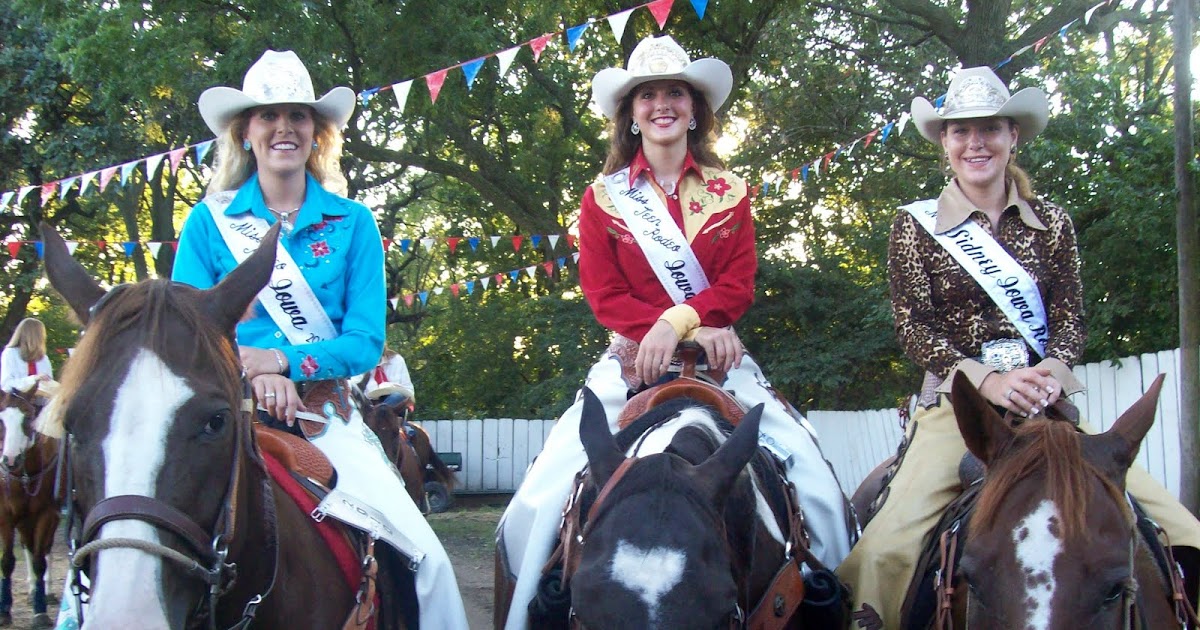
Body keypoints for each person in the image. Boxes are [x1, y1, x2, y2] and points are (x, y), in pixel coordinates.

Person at [496, 35, 853, 629]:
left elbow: (737, 285)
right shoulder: (602, 198)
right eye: (648, 95)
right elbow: (605, 295)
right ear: (631, 114)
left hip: (722, 361)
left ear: (694, 108)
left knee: (818, 487)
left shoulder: (730, 191)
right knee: (536, 500)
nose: (663, 104)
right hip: (630, 366)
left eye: (676, 93)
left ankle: (834, 602)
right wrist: (664, 329)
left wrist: (677, 323)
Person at [835, 66, 1200, 627]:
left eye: (989, 130)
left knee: (1183, 532)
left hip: (1044, 407)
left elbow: (1071, 317)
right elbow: (913, 326)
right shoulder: (915, 226)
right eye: (960, 131)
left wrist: (1049, 372)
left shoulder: (1052, 222)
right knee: (883, 552)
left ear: (1013, 137)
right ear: (945, 143)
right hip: (959, 412)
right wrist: (987, 380)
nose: (975, 143)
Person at [170, 49, 467, 629]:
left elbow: (363, 342)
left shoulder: (353, 222)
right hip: (225, 416)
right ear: (245, 132)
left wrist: (282, 360)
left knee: (427, 563)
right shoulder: (207, 223)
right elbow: (189, 338)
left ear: (317, 133)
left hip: (327, 418)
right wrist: (253, 374)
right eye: (268, 116)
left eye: (298, 116)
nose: (284, 128)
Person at [1, 317, 52, 392]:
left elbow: (48, 385)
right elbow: (6, 385)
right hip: (16, 401)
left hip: (40, 401)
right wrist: (34, 379)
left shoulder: (43, 358)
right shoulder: (10, 353)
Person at [360, 345, 416, 410]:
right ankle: (378, 413)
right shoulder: (359, 365)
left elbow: (408, 390)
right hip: (369, 404)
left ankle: (379, 413)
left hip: (394, 404)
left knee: (397, 396)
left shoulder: (397, 360)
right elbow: (355, 389)